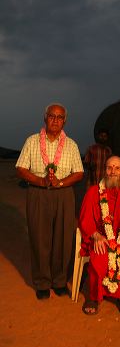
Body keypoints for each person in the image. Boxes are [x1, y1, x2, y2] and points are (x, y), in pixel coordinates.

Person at [16, 103, 84, 299]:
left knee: (63, 238)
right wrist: (40, 180)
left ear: (65, 121)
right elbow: (20, 168)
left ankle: (60, 281)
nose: (55, 120)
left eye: (60, 117)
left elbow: (79, 172)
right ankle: (42, 282)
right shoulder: (32, 141)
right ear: (45, 118)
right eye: (52, 116)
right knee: (39, 238)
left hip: (64, 195)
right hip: (38, 193)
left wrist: (60, 182)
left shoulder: (71, 145)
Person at [79, 155, 120, 315]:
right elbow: (85, 219)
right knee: (100, 253)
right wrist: (96, 236)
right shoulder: (93, 192)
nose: (112, 171)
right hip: (102, 238)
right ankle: (94, 297)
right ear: (105, 171)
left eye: (117, 168)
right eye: (109, 167)